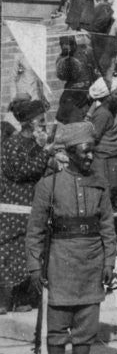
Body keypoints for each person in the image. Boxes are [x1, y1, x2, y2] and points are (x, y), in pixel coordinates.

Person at [25, 121, 116, 354]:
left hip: (91, 261)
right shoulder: (48, 185)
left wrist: (109, 262)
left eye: (92, 152)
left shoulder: (100, 185)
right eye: (85, 152)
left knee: (86, 326)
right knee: (57, 327)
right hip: (60, 262)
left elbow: (107, 227)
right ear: (72, 152)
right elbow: (35, 230)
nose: (90, 157)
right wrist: (34, 266)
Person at [0, 99, 53, 312]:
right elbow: (20, 171)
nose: (44, 124)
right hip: (14, 200)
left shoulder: (33, 144)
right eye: (41, 120)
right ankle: (4, 298)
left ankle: (21, 297)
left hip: (32, 199)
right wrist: (45, 154)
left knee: (28, 246)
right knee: (9, 246)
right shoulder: (11, 144)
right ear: (29, 122)